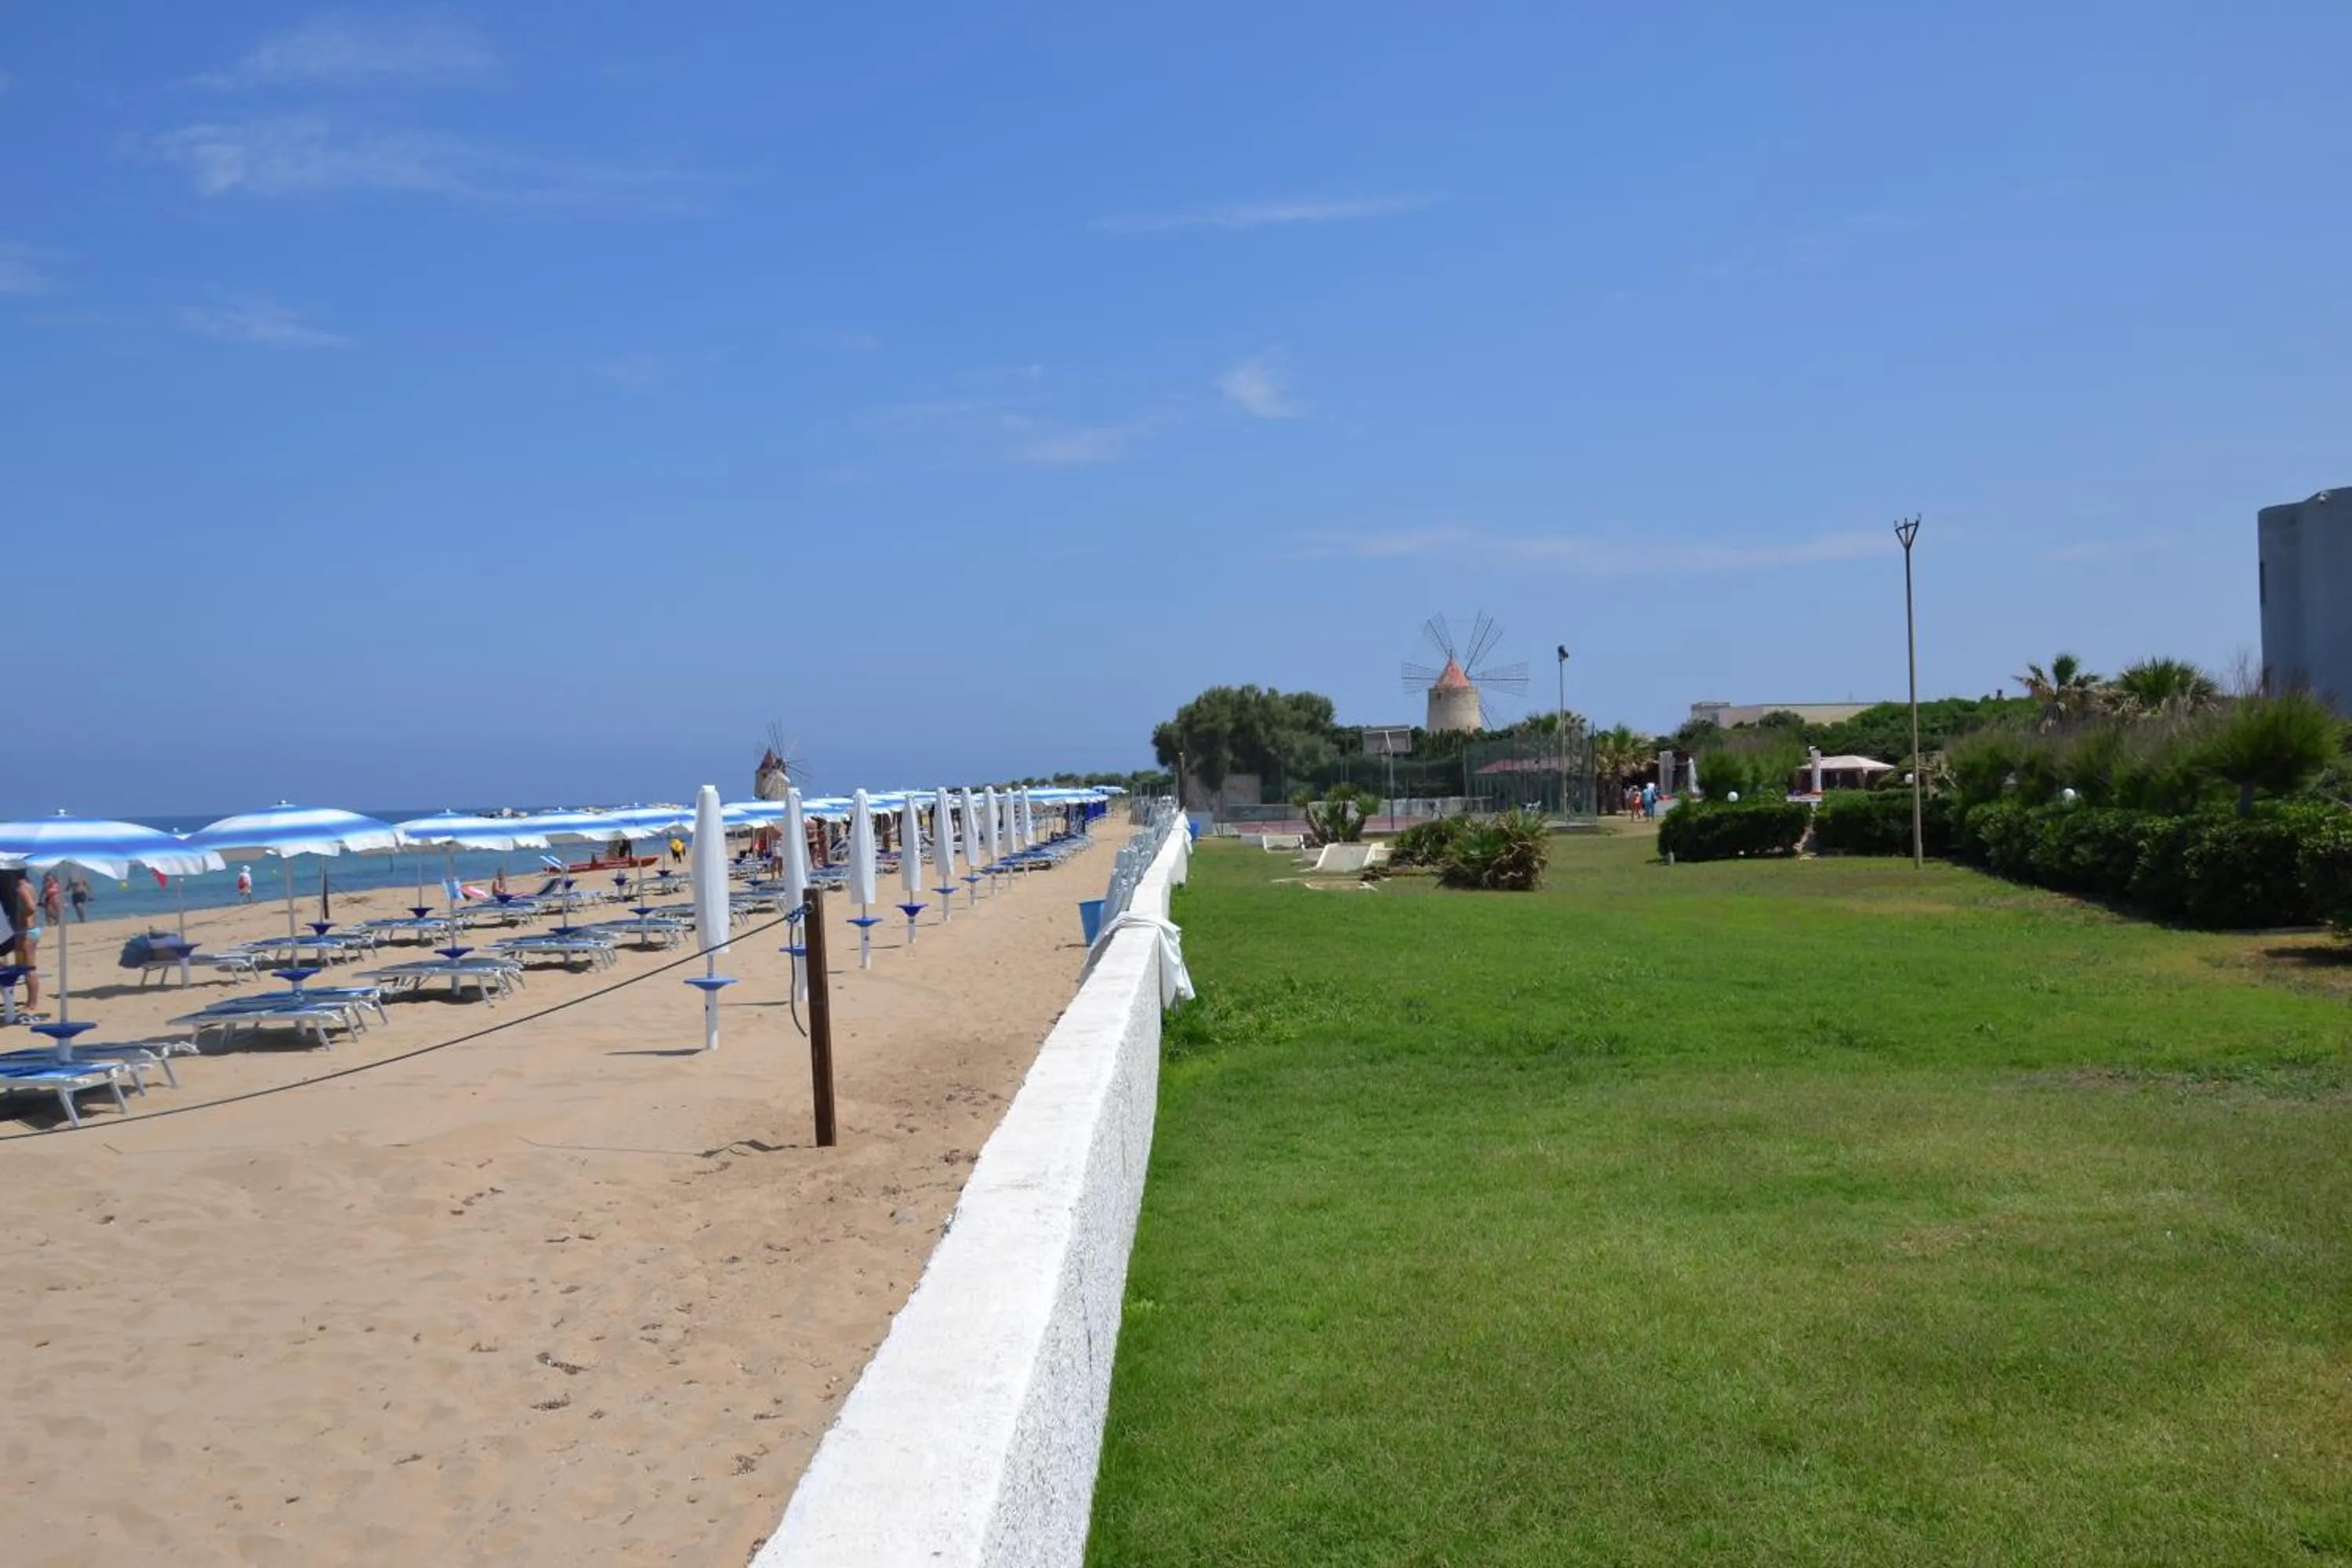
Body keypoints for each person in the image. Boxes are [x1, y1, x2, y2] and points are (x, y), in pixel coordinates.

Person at [2, 864, 42, 1013]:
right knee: (23, 967)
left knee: (29, 968)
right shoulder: (29, 885)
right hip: (28, 932)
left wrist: (21, 918)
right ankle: (30, 1001)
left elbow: (31, 907)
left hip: (26, 932)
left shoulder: (20, 888)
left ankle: (32, 1003)